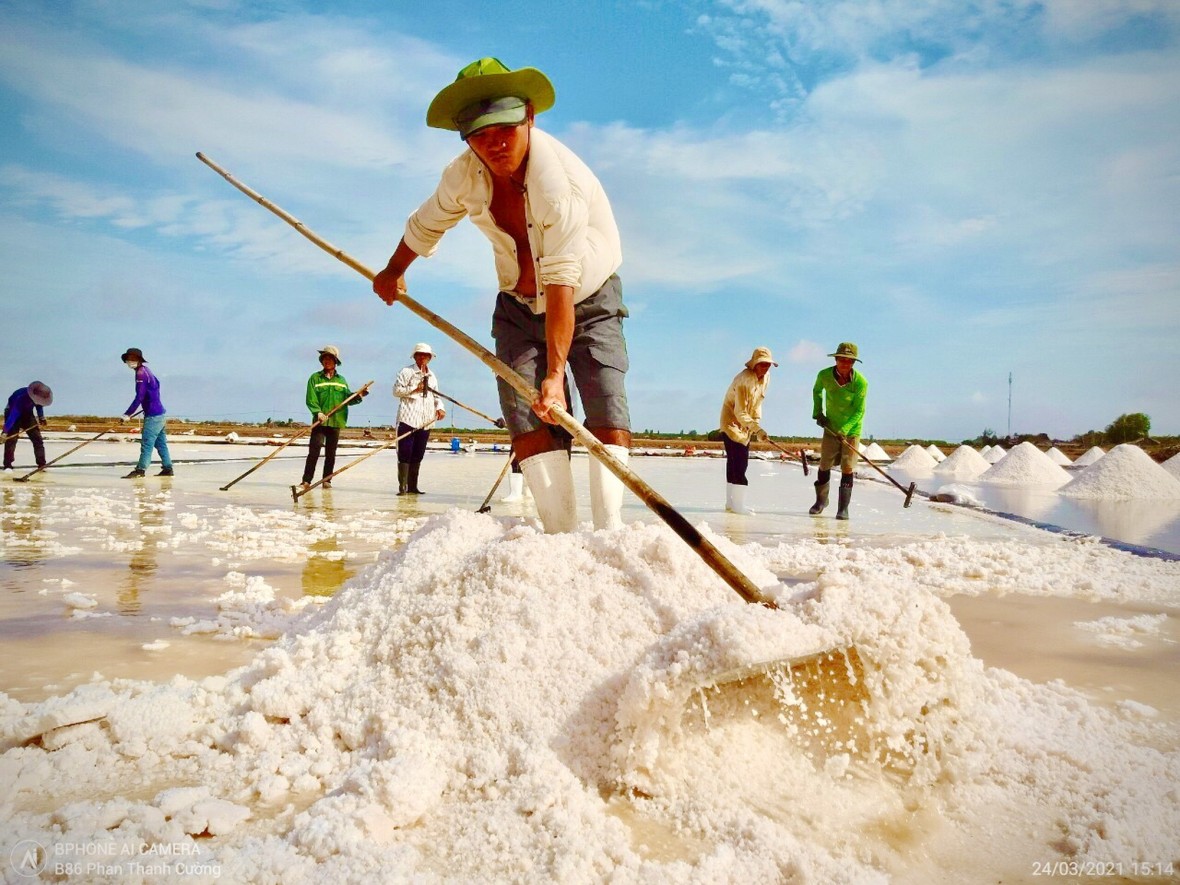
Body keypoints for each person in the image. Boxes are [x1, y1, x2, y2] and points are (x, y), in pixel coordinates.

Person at [372, 57, 631, 532]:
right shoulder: (463, 174)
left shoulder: (559, 185)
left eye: (505, 130)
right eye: (480, 135)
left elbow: (562, 282)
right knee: (525, 416)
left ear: (529, 116)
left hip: (587, 299)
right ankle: (559, 534)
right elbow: (427, 223)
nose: (494, 144)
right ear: (466, 138)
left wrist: (555, 375)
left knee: (605, 403)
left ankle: (609, 531)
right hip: (517, 305)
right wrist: (393, 270)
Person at [810, 342, 868, 520]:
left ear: (853, 363)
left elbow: (859, 411)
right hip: (831, 427)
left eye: (849, 361)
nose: (845, 363)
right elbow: (817, 390)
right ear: (835, 359)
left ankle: (843, 508)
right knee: (824, 464)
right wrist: (818, 412)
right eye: (841, 359)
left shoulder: (860, 382)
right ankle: (821, 501)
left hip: (851, 430)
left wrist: (845, 429)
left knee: (847, 467)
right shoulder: (824, 375)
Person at [300, 345, 366, 491]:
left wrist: (359, 395)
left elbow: (347, 399)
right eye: (324, 358)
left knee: (331, 453)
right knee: (314, 451)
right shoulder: (315, 378)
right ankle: (306, 481)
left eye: (330, 358)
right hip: (320, 421)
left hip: (336, 421)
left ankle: (327, 480)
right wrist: (318, 412)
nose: (327, 361)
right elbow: (311, 398)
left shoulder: (341, 380)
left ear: (335, 361)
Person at [719, 347, 776, 515]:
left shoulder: (766, 378)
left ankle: (731, 503)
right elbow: (740, 412)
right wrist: (757, 429)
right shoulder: (744, 380)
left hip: (747, 424)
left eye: (768, 364)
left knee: (735, 463)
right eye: (762, 364)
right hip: (731, 423)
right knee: (739, 463)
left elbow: (758, 403)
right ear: (754, 364)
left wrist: (756, 424)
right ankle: (736, 505)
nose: (765, 368)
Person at [393, 342, 445, 495]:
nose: (423, 357)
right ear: (415, 356)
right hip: (408, 419)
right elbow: (396, 391)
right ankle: (403, 488)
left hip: (426, 421)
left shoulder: (432, 376)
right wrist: (415, 389)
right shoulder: (406, 372)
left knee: (418, 454)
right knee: (405, 453)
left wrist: (440, 408)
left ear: (430, 358)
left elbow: (436, 395)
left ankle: (413, 487)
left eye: (426, 355)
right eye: (420, 355)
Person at [120, 348, 173, 478]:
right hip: (159, 413)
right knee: (160, 443)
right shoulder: (146, 371)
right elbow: (157, 386)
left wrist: (127, 414)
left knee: (146, 444)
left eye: (133, 359)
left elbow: (139, 396)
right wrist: (151, 401)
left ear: (139, 360)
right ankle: (168, 468)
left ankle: (140, 470)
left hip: (153, 416)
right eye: (128, 359)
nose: (130, 361)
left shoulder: (141, 374)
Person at [3, 381, 52, 473]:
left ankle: (41, 464)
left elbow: (39, 406)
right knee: (12, 439)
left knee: (37, 439)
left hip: (27, 414)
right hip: (12, 412)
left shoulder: (38, 396)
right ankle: (7, 465)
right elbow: (13, 415)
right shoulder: (20, 397)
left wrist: (41, 417)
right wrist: (5, 432)